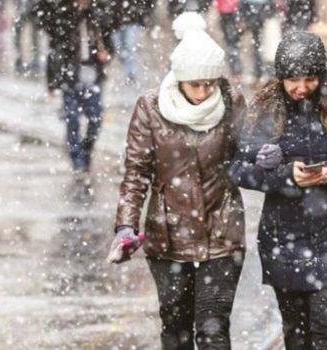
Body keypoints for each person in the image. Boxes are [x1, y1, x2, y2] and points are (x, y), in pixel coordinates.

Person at [229, 31, 327, 349]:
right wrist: (284, 177)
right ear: (280, 78)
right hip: (284, 241)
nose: (301, 88)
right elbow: (239, 169)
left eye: (309, 79)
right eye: (292, 80)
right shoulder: (264, 114)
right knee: (296, 334)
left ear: (321, 75)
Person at [111, 12, 249, 349]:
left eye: (210, 83)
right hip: (168, 237)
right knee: (176, 327)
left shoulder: (232, 103)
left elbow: (248, 157)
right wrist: (125, 226)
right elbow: (136, 173)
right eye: (195, 84)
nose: (204, 92)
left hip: (222, 234)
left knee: (213, 329)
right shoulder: (151, 107)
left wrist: (262, 158)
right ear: (179, 79)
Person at [33, 0, 111, 175]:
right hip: (70, 75)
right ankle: (77, 158)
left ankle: (86, 149)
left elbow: (108, 42)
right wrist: (52, 82)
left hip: (93, 74)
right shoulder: (62, 15)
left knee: (95, 118)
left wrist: (105, 54)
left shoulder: (98, 16)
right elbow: (54, 50)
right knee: (72, 118)